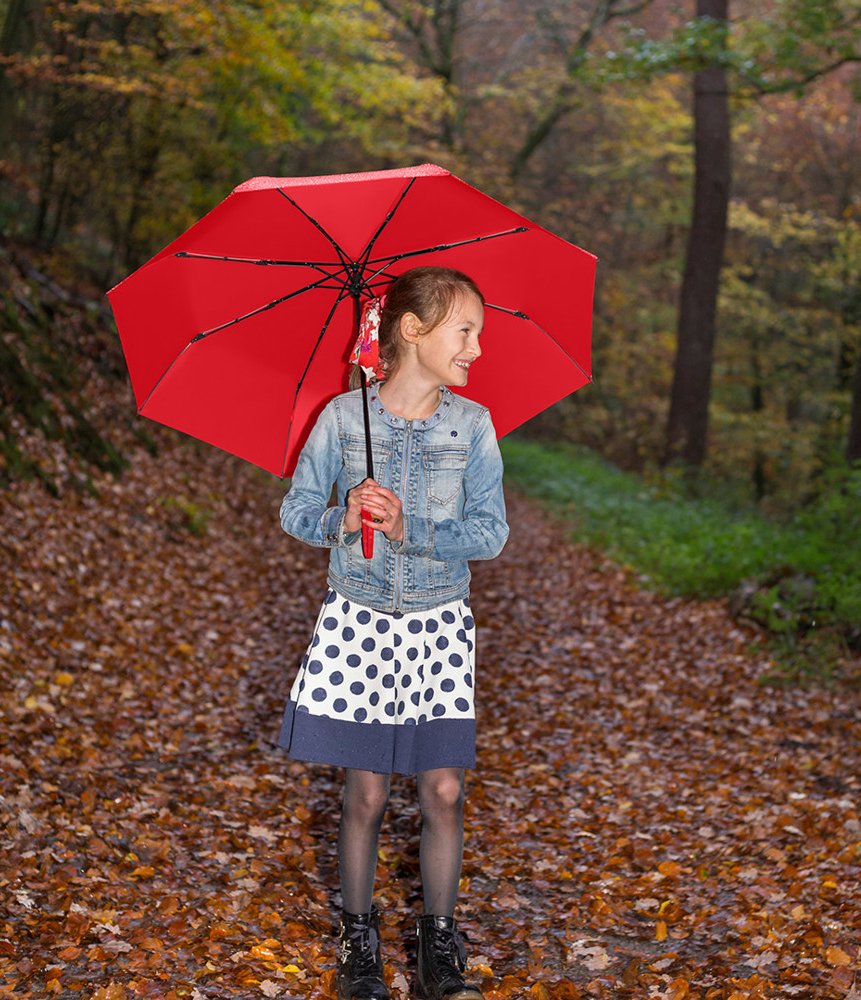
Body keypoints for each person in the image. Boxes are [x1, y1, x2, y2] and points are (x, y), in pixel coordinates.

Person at [277, 265, 509, 1000]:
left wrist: (413, 530)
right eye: (465, 330)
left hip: (440, 625)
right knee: (367, 793)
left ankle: (438, 947)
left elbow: (491, 532)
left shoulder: (473, 425)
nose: (476, 347)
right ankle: (359, 945)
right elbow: (295, 510)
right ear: (412, 330)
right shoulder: (345, 419)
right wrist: (342, 519)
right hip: (361, 621)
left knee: (443, 789)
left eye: (478, 333)